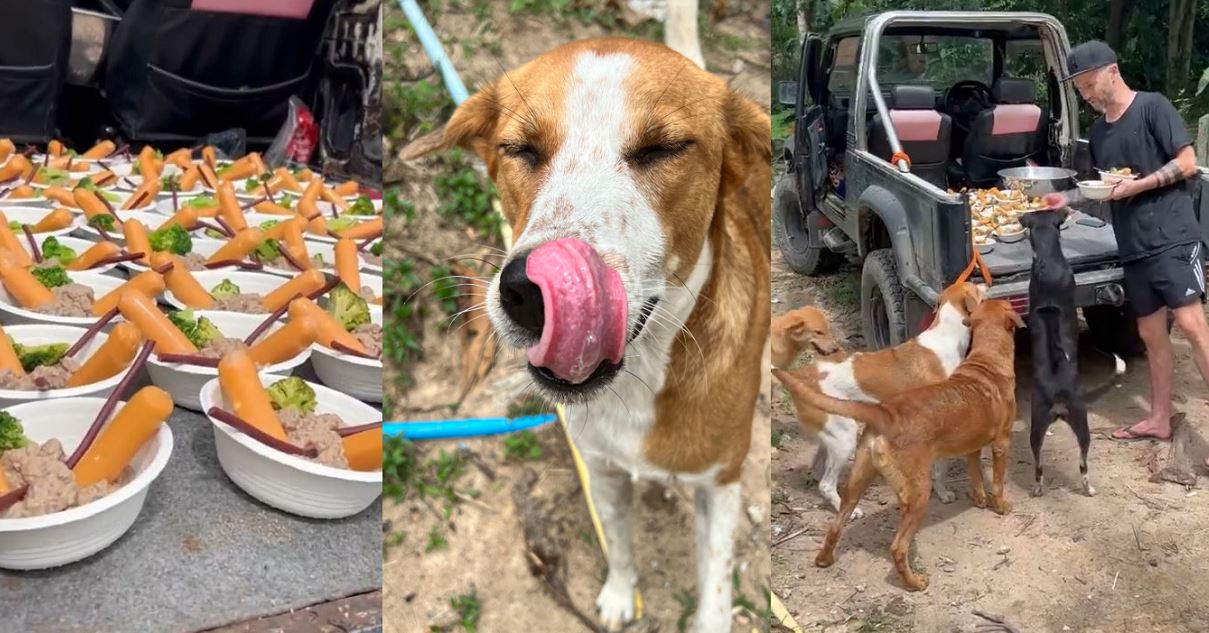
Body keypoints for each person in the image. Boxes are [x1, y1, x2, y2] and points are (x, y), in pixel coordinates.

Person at [1043, 41, 1205, 454]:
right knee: (1151, 335)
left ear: (1111, 71)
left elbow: (1187, 162)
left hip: (1173, 237)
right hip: (1133, 247)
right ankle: (1159, 418)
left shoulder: (1152, 107)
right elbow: (1105, 189)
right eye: (1079, 89)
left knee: (1192, 326)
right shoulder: (1099, 134)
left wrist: (1140, 184)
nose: (1086, 94)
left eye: (1088, 84)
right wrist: (1069, 201)